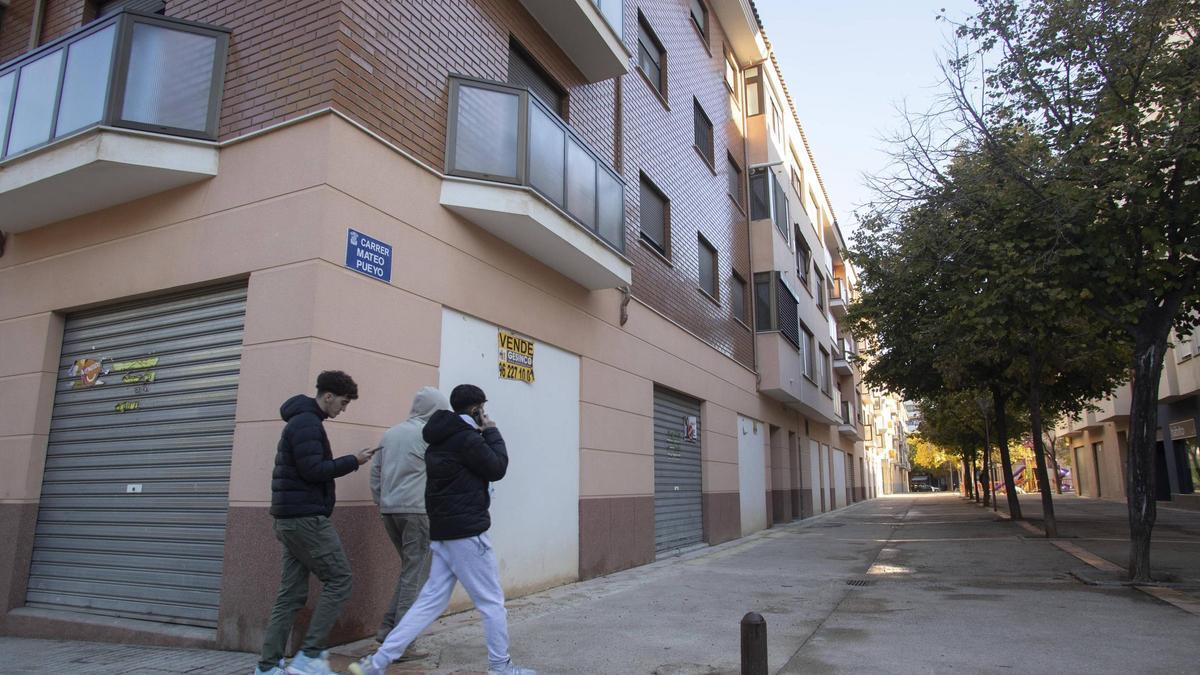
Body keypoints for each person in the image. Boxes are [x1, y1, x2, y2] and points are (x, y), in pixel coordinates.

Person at [350, 384, 534, 675]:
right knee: (492, 603)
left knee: (428, 603)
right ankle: (501, 667)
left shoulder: (437, 440)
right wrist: (492, 431)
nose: (484, 414)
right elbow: (497, 467)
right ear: (475, 409)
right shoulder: (467, 439)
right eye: (482, 409)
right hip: (467, 533)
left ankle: (377, 662)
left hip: (442, 531)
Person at [254, 371, 379, 675]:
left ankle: (268, 667)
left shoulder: (303, 421)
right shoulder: (308, 424)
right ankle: (309, 657)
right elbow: (313, 469)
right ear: (328, 396)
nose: (343, 409)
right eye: (343, 402)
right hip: (305, 519)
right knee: (340, 578)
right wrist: (354, 461)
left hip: (290, 518)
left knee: (291, 594)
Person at [368, 386, 451, 659]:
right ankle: (402, 644)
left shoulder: (390, 433)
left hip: (390, 511)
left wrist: (382, 502)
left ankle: (387, 631)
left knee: (409, 572)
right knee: (416, 577)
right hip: (417, 511)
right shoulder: (429, 435)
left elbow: (375, 473)